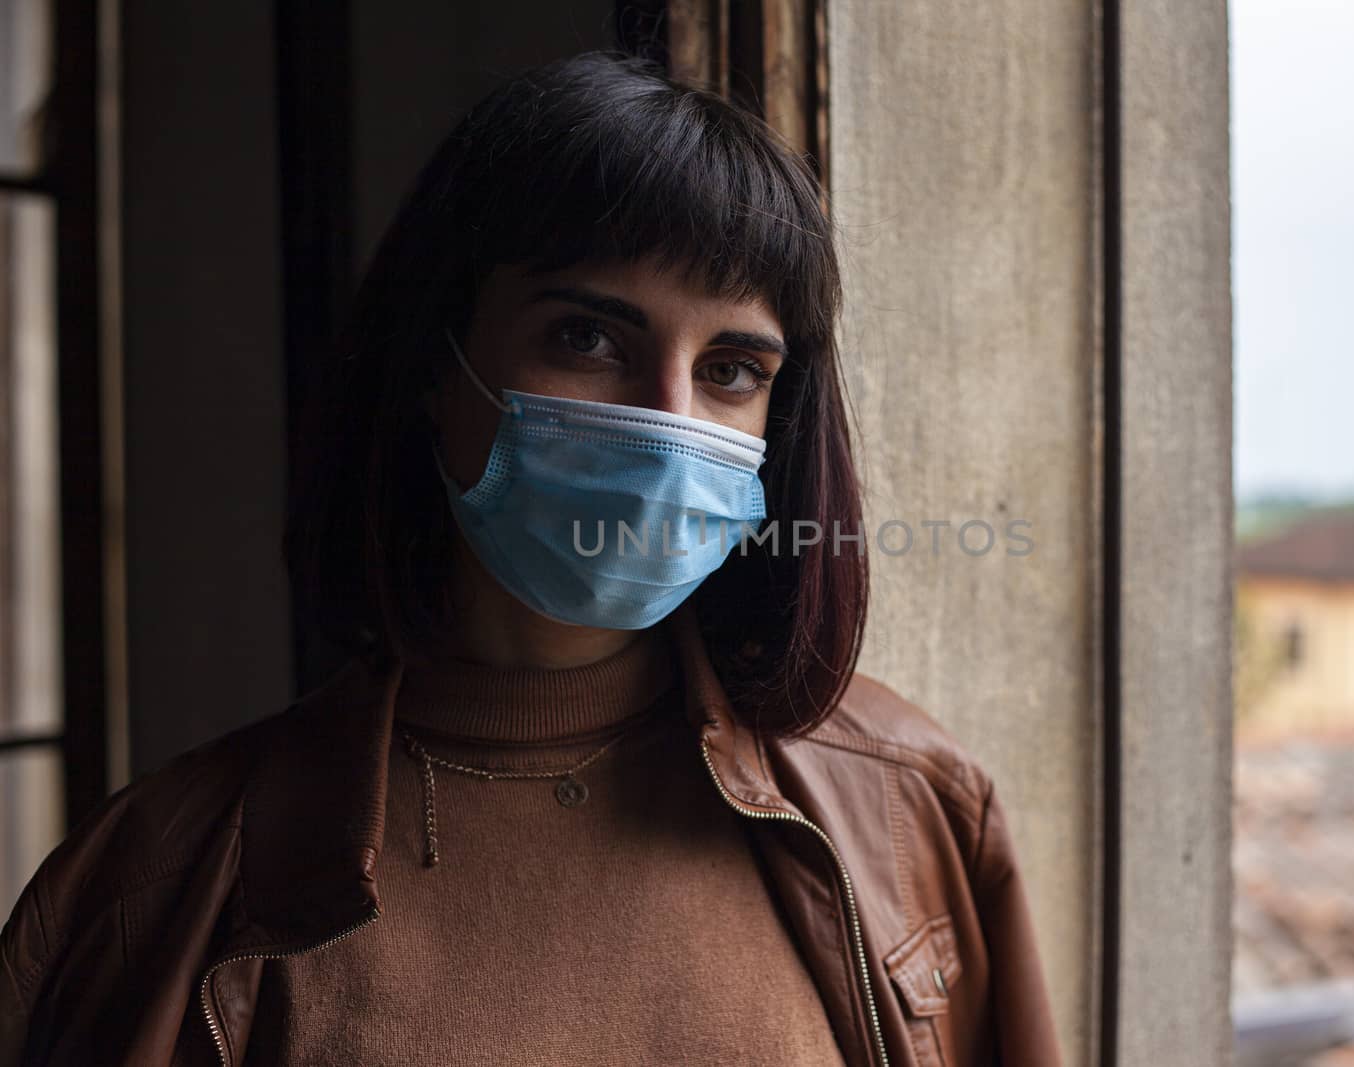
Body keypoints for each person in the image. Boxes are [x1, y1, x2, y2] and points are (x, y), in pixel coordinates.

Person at [0, 52, 1059, 1066]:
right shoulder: (155, 884)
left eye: (731, 368)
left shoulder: (910, 808)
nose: (666, 424)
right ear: (434, 359)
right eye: (589, 340)